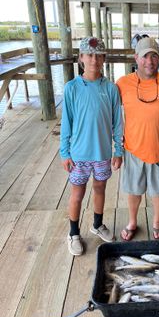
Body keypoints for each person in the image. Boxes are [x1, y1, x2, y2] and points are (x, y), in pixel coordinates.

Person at [60, 37, 123, 256]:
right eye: (89, 55)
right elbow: (66, 122)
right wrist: (64, 152)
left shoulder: (111, 88)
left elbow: (117, 122)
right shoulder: (72, 88)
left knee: (100, 188)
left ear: (104, 59)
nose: (94, 60)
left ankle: (97, 224)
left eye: (98, 55)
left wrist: (118, 150)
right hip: (78, 154)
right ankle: (73, 232)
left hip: (103, 153)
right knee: (77, 194)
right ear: (81, 59)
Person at [116, 37, 159, 241]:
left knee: (158, 189)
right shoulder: (122, 83)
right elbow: (108, 113)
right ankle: (132, 221)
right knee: (133, 189)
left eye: (154, 56)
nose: (150, 61)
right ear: (136, 58)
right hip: (133, 147)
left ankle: (157, 221)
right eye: (145, 56)